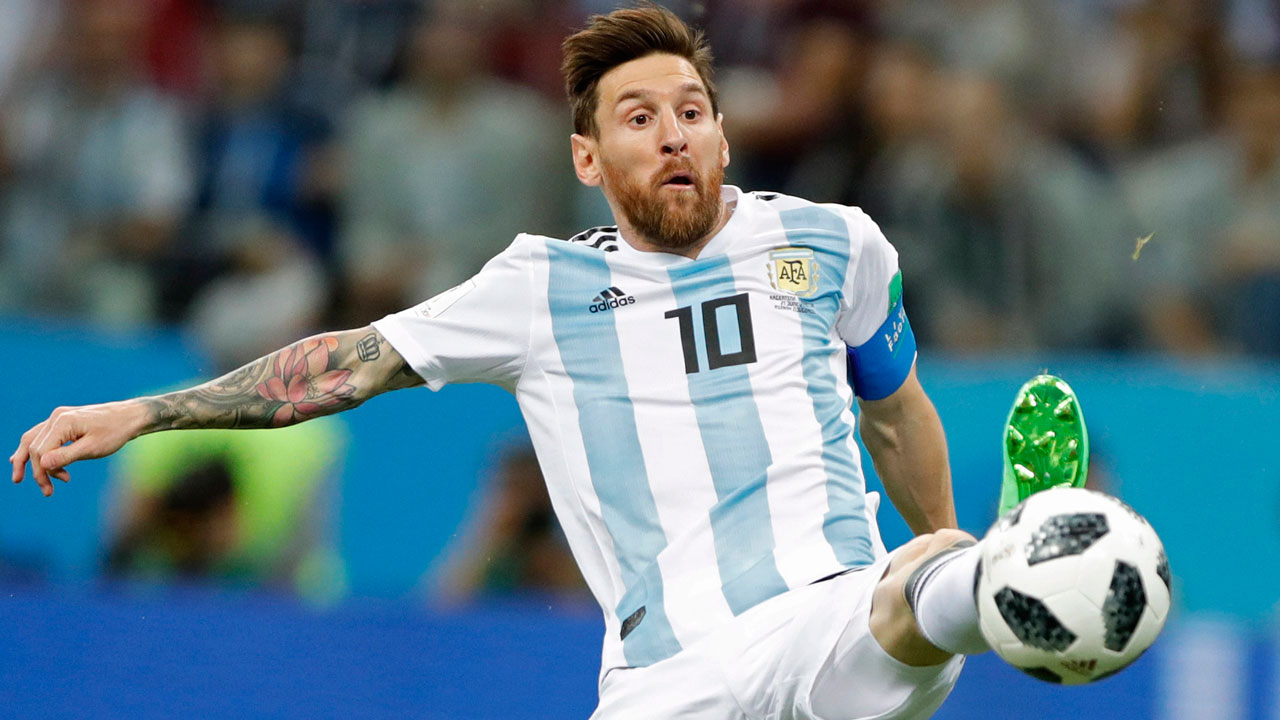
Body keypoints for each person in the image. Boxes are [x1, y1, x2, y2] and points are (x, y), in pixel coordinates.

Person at [11, 6, 1086, 718]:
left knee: (906, 597)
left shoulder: (832, 242)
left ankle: (1003, 571)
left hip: (821, 612)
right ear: (586, 157)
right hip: (665, 678)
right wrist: (143, 413)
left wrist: (936, 534)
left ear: (720, 137)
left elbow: (892, 410)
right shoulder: (536, 287)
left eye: (692, 113)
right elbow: (347, 361)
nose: (672, 134)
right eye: (637, 117)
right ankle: (995, 577)